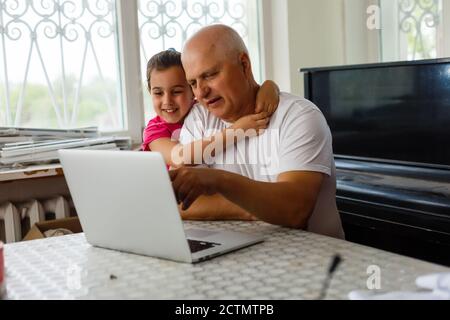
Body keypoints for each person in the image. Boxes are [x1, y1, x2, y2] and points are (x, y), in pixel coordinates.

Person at [170, 25, 344, 239]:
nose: (201, 92)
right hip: (243, 255)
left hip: (317, 262)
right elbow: (178, 205)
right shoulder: (198, 119)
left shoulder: (298, 116)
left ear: (244, 64)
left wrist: (217, 181)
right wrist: (252, 208)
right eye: (193, 83)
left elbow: (294, 210)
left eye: (211, 75)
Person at [142, 49, 280, 168]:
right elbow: (180, 158)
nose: (167, 101)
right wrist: (238, 130)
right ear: (150, 92)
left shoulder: (203, 108)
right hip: (170, 196)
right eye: (158, 93)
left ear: (192, 89)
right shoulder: (155, 130)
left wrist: (270, 87)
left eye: (177, 91)